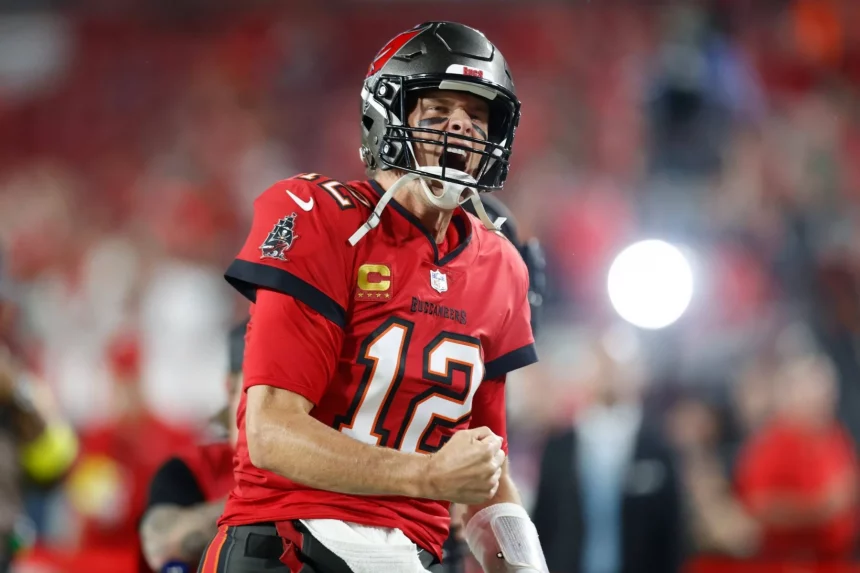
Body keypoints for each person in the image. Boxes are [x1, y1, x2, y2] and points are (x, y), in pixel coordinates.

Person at [203, 20, 548, 573]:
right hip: (290, 538)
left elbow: (487, 475)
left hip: (410, 553)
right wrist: (427, 477)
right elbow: (270, 432)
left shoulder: (500, 265)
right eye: (438, 111)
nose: (461, 130)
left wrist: (526, 565)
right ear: (386, 116)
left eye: (478, 116)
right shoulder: (323, 219)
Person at [139, 321, 247, 572]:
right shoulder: (192, 470)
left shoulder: (320, 470)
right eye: (260, 386)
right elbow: (161, 547)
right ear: (230, 387)